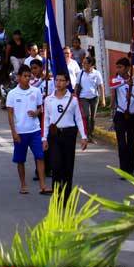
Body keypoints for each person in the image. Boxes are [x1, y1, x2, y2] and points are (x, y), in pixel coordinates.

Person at [42, 71, 88, 204]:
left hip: (69, 134)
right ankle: (56, 195)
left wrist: (84, 136)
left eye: (62, 80)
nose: (58, 83)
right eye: (57, 80)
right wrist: (44, 138)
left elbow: (79, 118)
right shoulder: (48, 99)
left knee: (68, 166)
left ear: (67, 83)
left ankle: (66, 197)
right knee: (56, 166)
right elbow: (46, 120)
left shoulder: (73, 100)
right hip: (55, 134)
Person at [6, 65, 52, 195]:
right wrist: (14, 132)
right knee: (20, 160)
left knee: (40, 156)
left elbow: (40, 108)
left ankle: (43, 185)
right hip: (20, 131)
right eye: (24, 76)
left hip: (35, 130)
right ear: (18, 77)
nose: (27, 78)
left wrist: (36, 112)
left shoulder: (35, 91)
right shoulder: (12, 94)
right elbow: (10, 114)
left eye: (29, 76)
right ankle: (23, 184)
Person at [110, 57, 134, 177]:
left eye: (120, 67)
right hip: (121, 114)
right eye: (117, 67)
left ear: (127, 68)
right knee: (122, 144)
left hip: (133, 115)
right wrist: (125, 82)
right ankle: (123, 170)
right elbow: (112, 85)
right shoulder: (116, 80)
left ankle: (130, 169)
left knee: (131, 143)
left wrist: (131, 94)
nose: (118, 69)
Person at [75, 56, 106, 142]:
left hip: (94, 98)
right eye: (83, 63)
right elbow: (77, 85)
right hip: (83, 97)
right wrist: (74, 97)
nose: (83, 64)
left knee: (93, 117)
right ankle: (86, 134)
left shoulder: (97, 73)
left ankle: (91, 135)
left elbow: (101, 86)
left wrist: (103, 99)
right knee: (87, 115)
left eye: (85, 63)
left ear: (91, 64)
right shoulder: (80, 73)